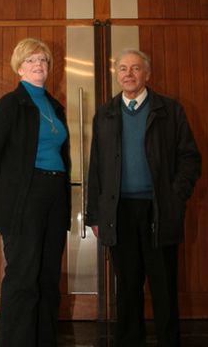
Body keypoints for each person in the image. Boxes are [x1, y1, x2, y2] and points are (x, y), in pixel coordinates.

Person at [86, 48, 201, 347]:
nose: (128, 74)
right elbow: (96, 167)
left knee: (163, 285)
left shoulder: (170, 110)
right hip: (119, 211)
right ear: (117, 74)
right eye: (122, 68)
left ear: (147, 74)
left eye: (135, 68)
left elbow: (190, 158)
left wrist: (175, 196)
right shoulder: (105, 113)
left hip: (159, 209)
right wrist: (95, 216)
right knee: (127, 286)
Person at [0, 38, 71, 347]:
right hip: (25, 198)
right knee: (23, 276)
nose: (38, 65)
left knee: (47, 277)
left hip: (55, 196)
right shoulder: (9, 104)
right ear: (19, 67)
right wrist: (6, 200)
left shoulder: (55, 106)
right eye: (31, 60)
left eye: (43, 60)